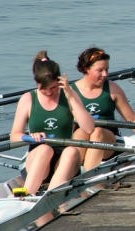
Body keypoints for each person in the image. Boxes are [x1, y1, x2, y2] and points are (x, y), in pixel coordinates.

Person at [10, 51, 94, 195]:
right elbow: (14, 136)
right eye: (44, 89)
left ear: (59, 81)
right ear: (37, 83)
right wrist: (31, 136)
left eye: (54, 88)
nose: (49, 92)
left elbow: (89, 128)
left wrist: (70, 96)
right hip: (37, 161)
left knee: (72, 150)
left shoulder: (69, 94)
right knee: (45, 149)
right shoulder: (28, 99)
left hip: (64, 163)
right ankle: (27, 194)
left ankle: (50, 196)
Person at [71, 47, 135, 171]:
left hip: (108, 141)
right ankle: (72, 173)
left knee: (97, 132)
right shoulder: (71, 92)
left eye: (107, 69)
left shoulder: (113, 89)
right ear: (86, 69)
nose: (105, 74)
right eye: (100, 70)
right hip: (82, 139)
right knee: (80, 133)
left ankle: (87, 177)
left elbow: (132, 119)